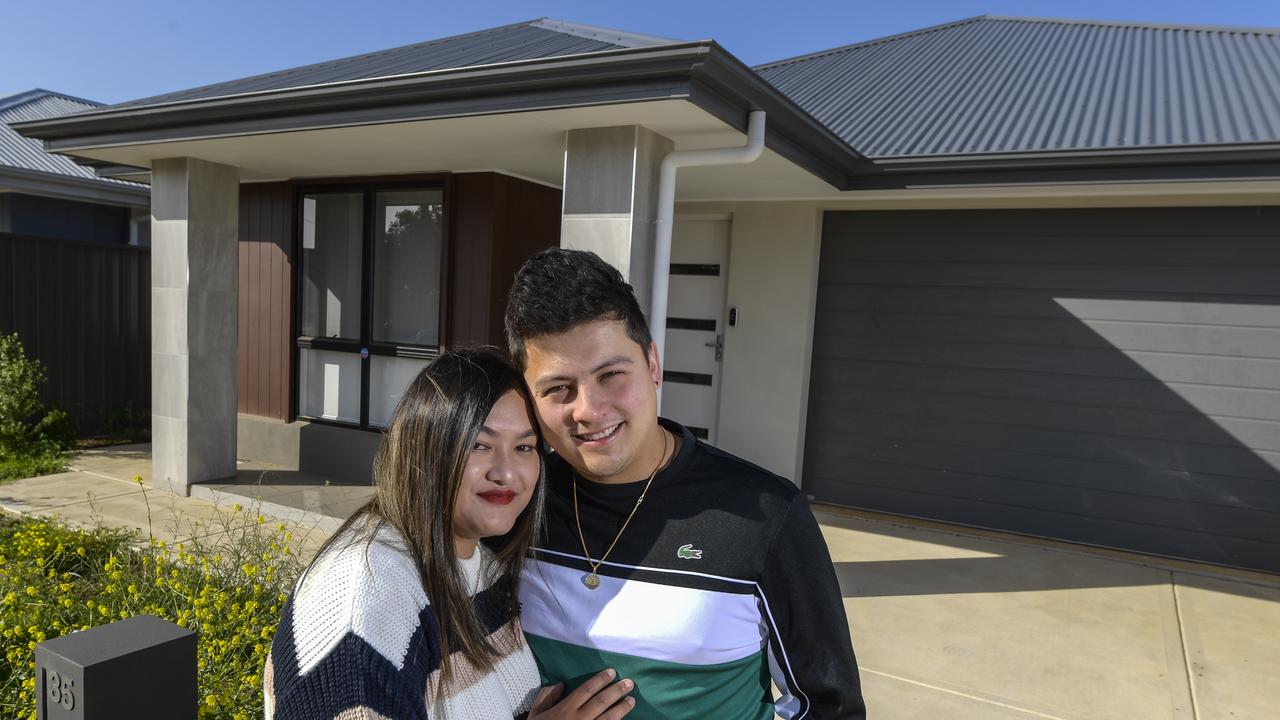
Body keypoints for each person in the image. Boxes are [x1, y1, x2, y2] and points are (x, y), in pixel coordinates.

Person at [505, 249, 866, 719]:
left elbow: (830, 706)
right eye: (559, 389)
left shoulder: (764, 514)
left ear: (653, 364)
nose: (589, 410)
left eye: (611, 375)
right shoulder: (515, 504)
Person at [264, 348, 637, 719]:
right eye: (479, 445)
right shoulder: (367, 588)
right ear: (424, 449)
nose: (506, 473)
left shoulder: (482, 566)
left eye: (524, 447)